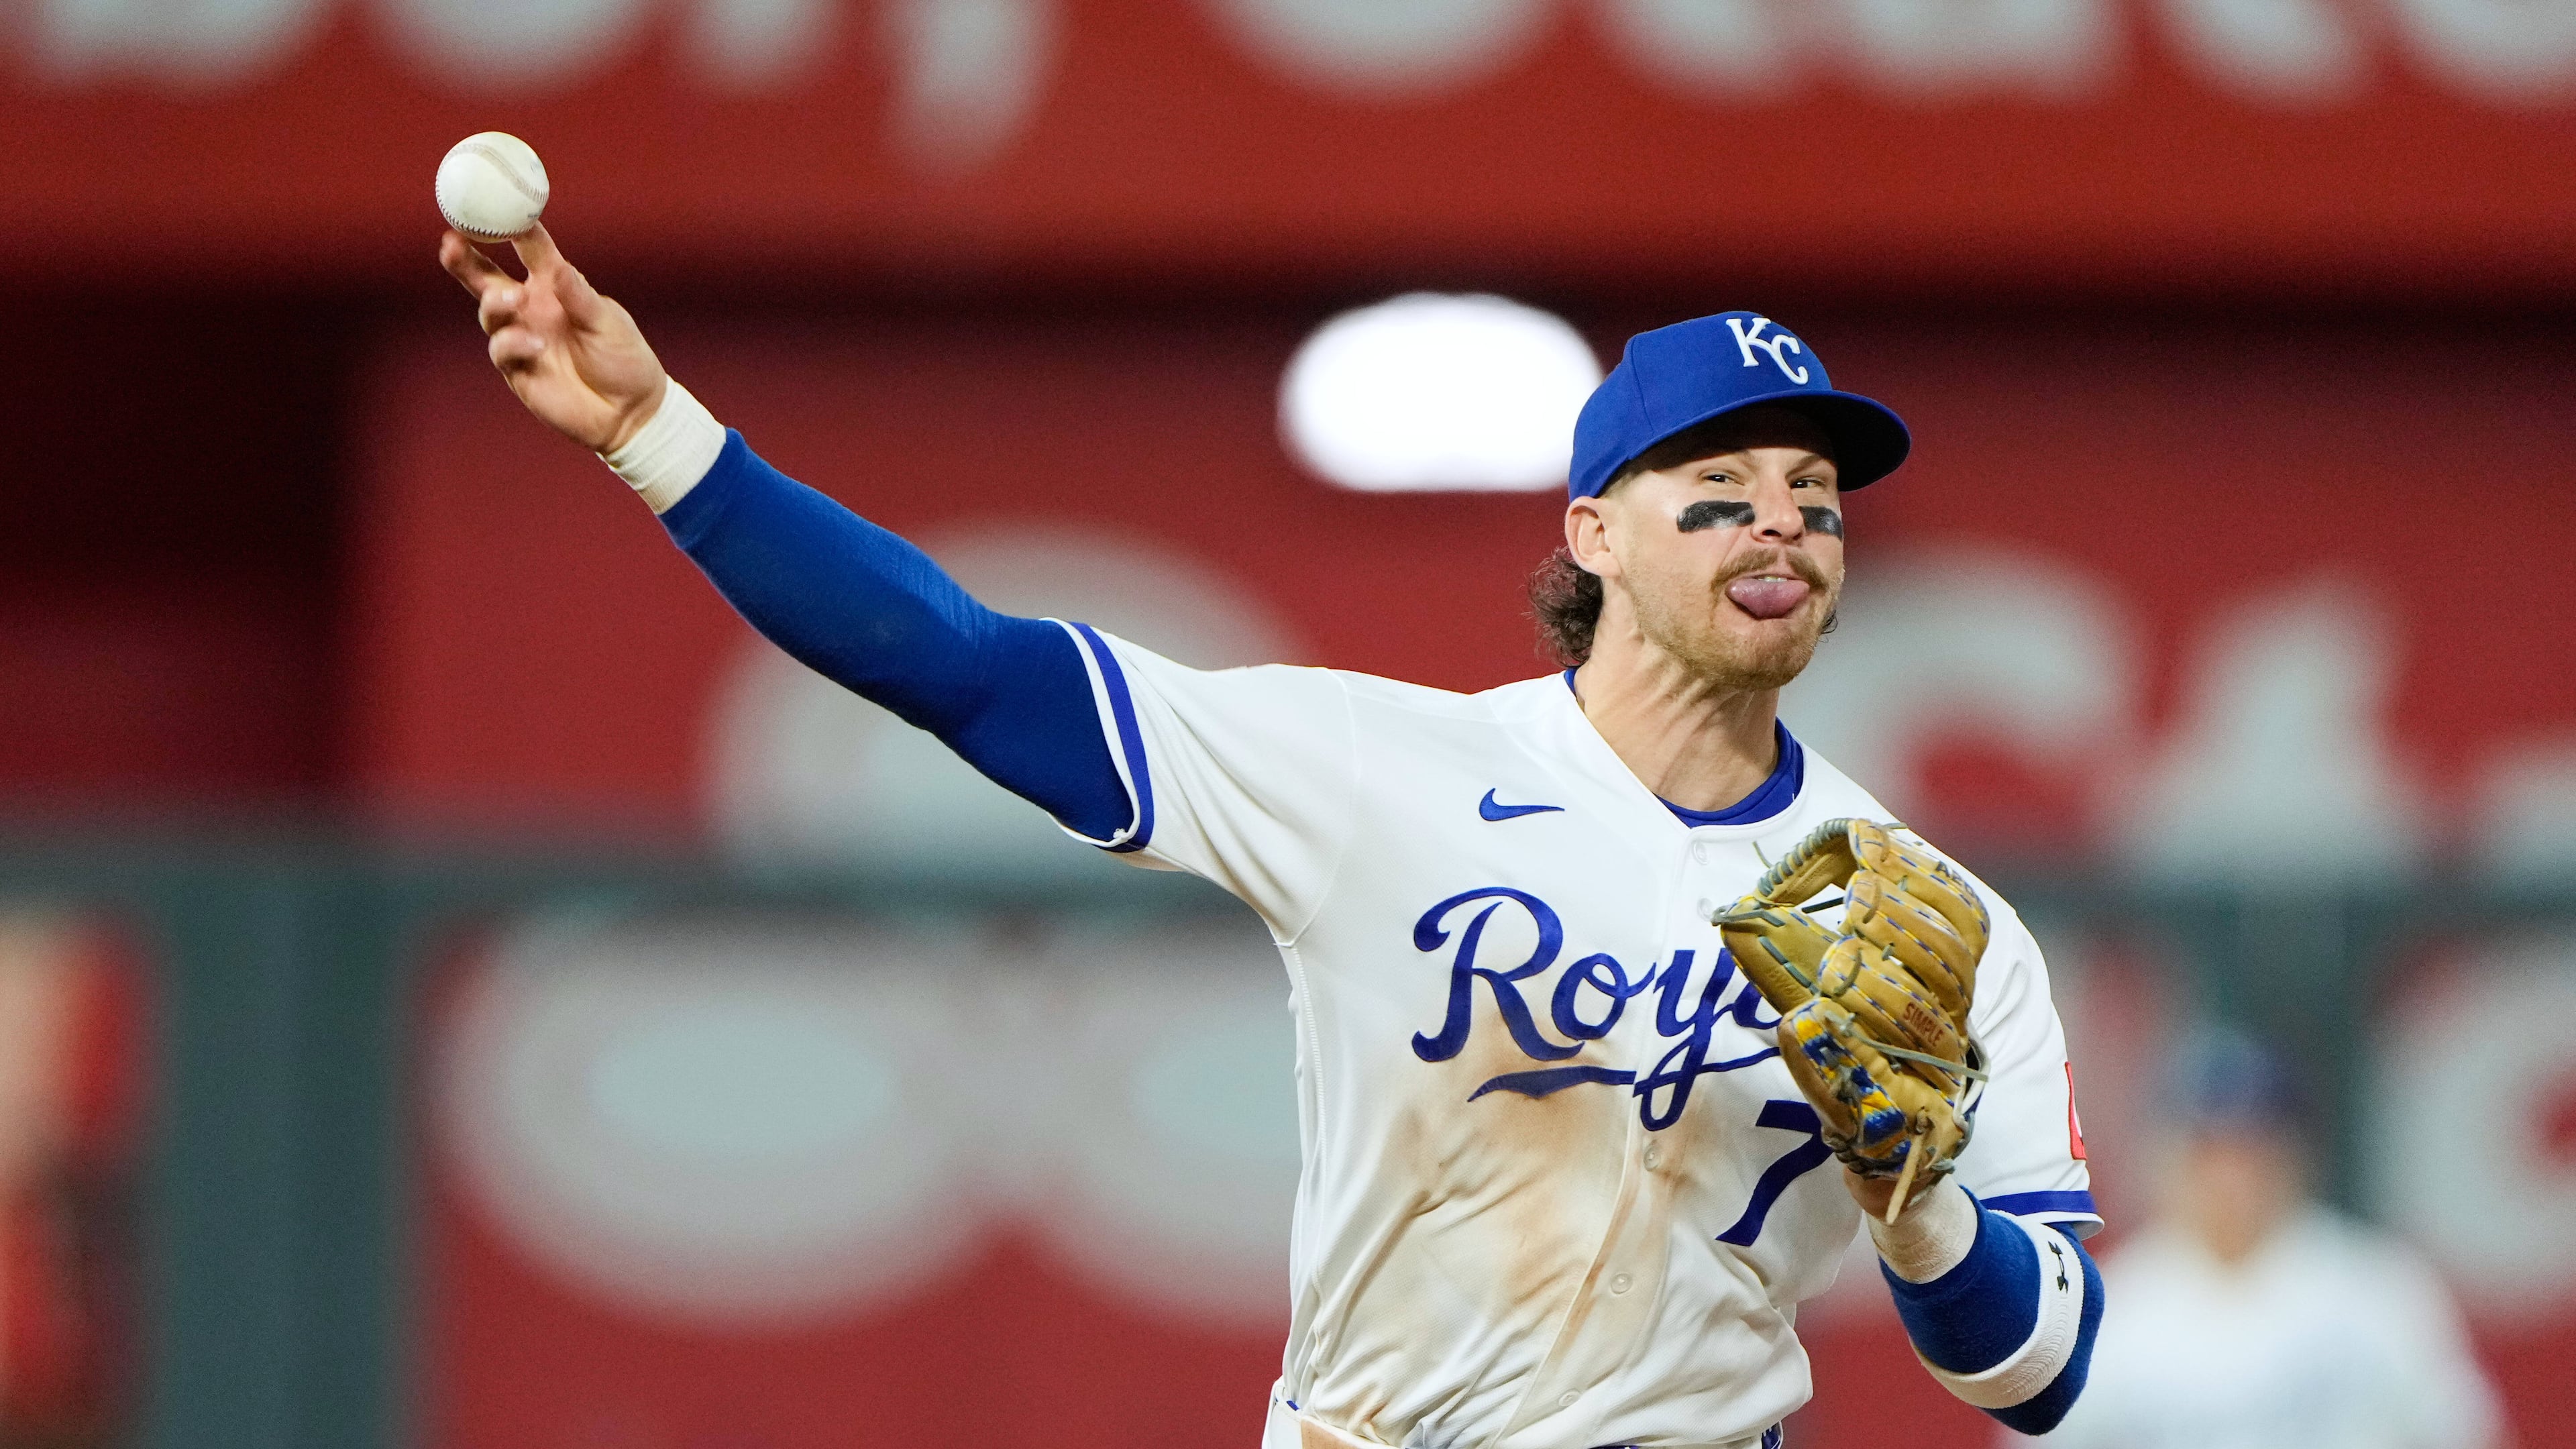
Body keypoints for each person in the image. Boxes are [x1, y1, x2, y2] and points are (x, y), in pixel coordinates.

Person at [439, 224, 2105, 1448]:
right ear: (1590, 531)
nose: (1783, 525)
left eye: (1814, 498)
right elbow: (965, 664)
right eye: (1720, 486)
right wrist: (658, 440)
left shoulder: (1931, 916)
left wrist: (1920, 1207)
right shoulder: (1384, 766)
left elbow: (2042, 1374)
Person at [2032, 1028, 2503, 1449]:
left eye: (2250, 1150)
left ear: (2294, 1156)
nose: (2230, 1178)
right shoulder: (2099, 1311)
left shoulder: (2378, 1289)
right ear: (2162, 1160)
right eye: (2208, 1152)